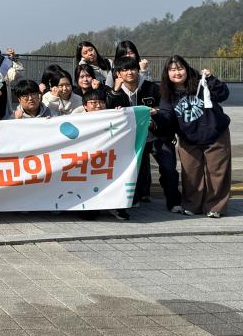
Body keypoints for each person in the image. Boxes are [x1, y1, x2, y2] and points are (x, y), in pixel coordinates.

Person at [158, 55, 232, 218]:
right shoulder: (167, 93)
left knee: (217, 172)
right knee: (191, 174)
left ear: (187, 69)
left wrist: (211, 79)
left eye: (180, 68)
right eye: (172, 70)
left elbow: (223, 94)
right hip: (188, 138)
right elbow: (166, 116)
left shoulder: (201, 82)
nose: (177, 73)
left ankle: (215, 206)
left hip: (215, 134)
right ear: (167, 73)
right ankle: (192, 204)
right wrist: (156, 116)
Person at [105, 56, 167, 207]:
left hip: (154, 134)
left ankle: (171, 199)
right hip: (131, 136)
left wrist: (156, 112)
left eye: (133, 69)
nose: (129, 72)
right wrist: (115, 90)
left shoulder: (152, 87)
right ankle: (139, 195)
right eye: (125, 69)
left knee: (167, 167)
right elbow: (108, 111)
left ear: (138, 70)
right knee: (139, 164)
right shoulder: (115, 90)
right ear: (118, 73)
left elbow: (165, 108)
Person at [80, 88, 129, 221]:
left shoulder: (112, 117)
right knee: (89, 215)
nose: (98, 105)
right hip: (86, 162)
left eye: (101, 102)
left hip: (108, 161)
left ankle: (115, 206)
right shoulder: (76, 119)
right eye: (93, 102)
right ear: (85, 106)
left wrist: (121, 115)